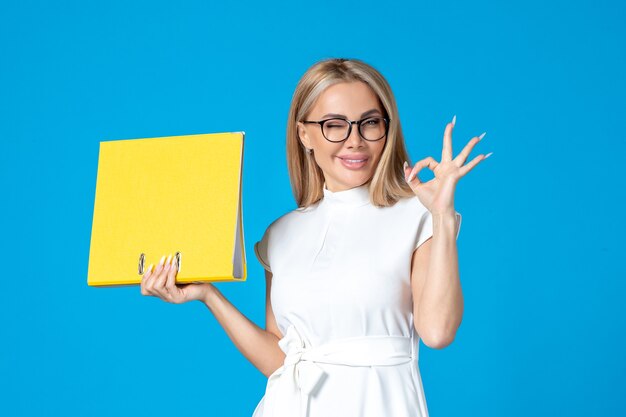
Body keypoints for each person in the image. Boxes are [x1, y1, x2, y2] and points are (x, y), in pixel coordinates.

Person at [139, 57, 491, 417]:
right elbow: (282, 358)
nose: (355, 141)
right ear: (304, 134)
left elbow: (438, 332)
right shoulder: (279, 234)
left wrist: (442, 216)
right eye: (334, 125)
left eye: (369, 123)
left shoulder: (416, 215)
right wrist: (208, 295)